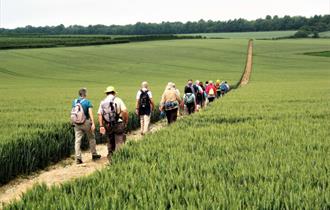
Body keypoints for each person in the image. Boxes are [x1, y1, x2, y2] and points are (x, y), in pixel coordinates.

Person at [71, 88, 101, 164]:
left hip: (76, 123)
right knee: (91, 138)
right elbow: (90, 113)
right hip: (86, 122)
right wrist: (93, 123)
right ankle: (94, 155)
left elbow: (73, 112)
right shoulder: (87, 102)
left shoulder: (74, 102)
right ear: (85, 94)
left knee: (77, 141)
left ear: (79, 94)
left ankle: (78, 158)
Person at [98, 86, 129, 159]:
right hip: (118, 123)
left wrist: (101, 126)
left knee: (110, 140)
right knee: (119, 140)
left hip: (108, 124)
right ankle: (119, 158)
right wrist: (125, 121)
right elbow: (124, 111)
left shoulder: (103, 102)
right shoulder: (118, 100)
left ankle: (111, 156)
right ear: (114, 93)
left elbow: (100, 114)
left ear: (106, 93)